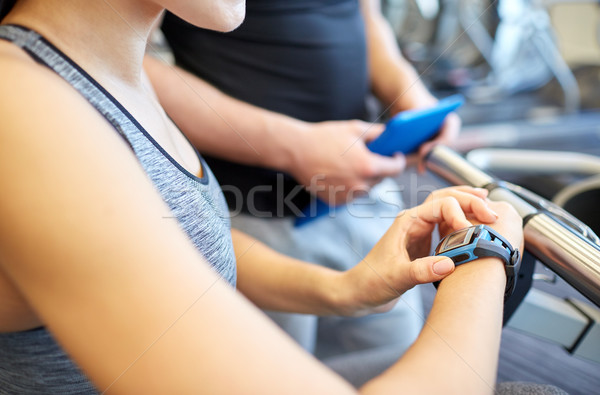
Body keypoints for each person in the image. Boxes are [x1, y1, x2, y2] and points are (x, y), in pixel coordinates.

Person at [0, 1, 567, 394]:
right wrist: (488, 251)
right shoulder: (23, 108)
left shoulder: (109, 77)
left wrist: (344, 289)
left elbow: (172, 245)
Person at [144, 1, 461, 383]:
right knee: (275, 379)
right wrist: (294, 146)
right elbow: (132, 62)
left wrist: (411, 96)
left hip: (363, 187)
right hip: (251, 211)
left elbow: (365, 17)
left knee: (395, 364)